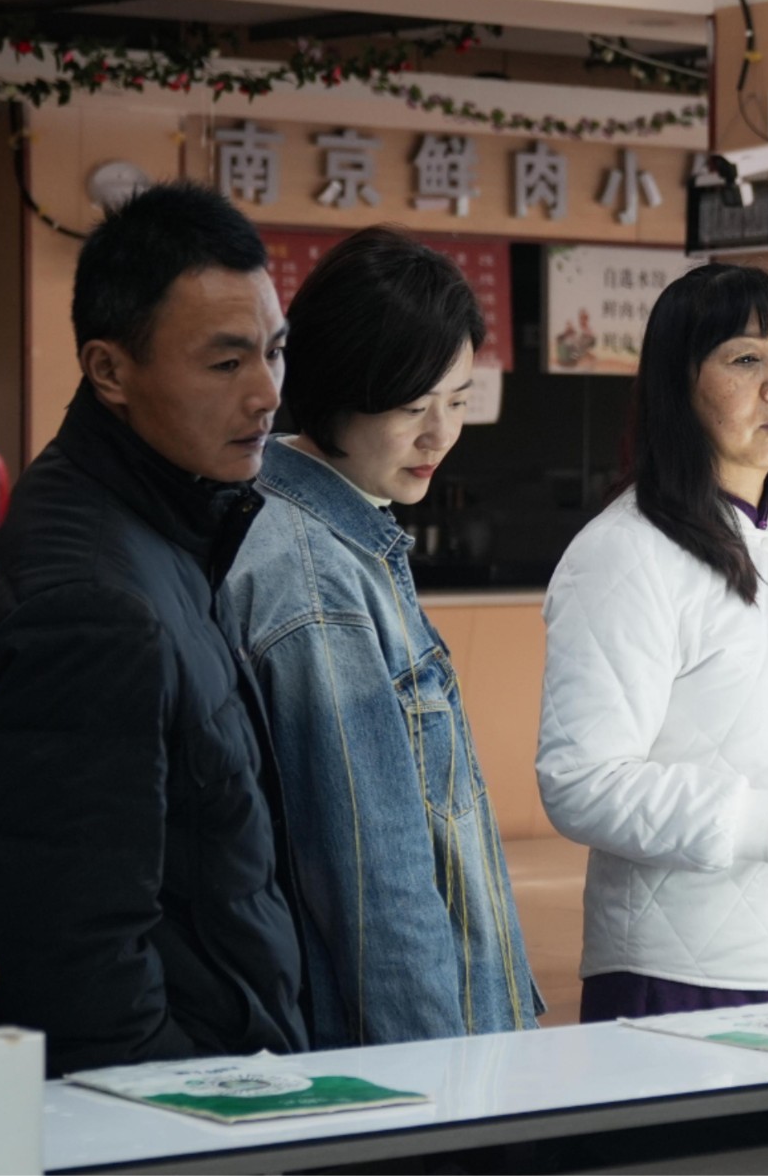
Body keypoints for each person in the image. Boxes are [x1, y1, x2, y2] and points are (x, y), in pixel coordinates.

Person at [0, 182, 305, 1075]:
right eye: (226, 364)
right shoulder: (92, 597)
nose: (266, 394)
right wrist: (181, 1114)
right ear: (110, 370)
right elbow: (71, 955)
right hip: (167, 1107)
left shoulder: (170, 525)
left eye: (274, 351)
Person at [537, 263, 768, 1021]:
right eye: (746, 359)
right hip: (687, 975)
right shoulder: (624, 552)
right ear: (680, 386)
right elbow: (581, 781)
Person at [224, 227, 541, 1047]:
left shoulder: (341, 535)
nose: (441, 435)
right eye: (412, 407)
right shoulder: (312, 578)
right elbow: (378, 876)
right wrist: (445, 1086)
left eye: (459, 401)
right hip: (409, 1061)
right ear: (334, 392)